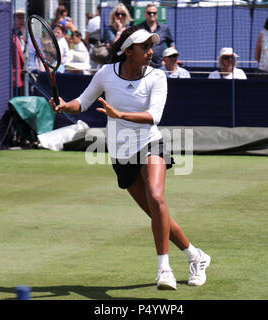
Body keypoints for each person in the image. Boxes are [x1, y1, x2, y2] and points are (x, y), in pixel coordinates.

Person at [48, 26, 211, 290]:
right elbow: (82, 102)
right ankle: (196, 255)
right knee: (156, 214)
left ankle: (164, 269)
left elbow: (153, 117)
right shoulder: (105, 74)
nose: (150, 52)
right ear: (128, 51)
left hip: (150, 143)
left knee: (157, 198)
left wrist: (119, 115)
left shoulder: (157, 77)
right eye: (144, 47)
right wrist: (65, 105)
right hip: (121, 153)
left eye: (151, 46)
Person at [136, 3, 175, 69]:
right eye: (149, 13)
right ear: (145, 14)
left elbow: (171, 44)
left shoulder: (164, 28)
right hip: (143, 65)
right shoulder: (139, 28)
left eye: (154, 13)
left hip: (160, 66)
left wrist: (168, 58)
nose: (152, 15)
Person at [12, 8, 26, 97]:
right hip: (12, 77)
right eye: (19, 17)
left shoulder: (23, 36)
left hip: (21, 76)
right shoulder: (9, 35)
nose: (21, 20)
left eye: (23, 17)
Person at [85, 4, 102, 73]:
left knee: (92, 71)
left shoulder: (92, 21)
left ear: (98, 11)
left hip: (94, 48)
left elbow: (87, 38)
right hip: (106, 49)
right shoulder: (109, 20)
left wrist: (88, 48)